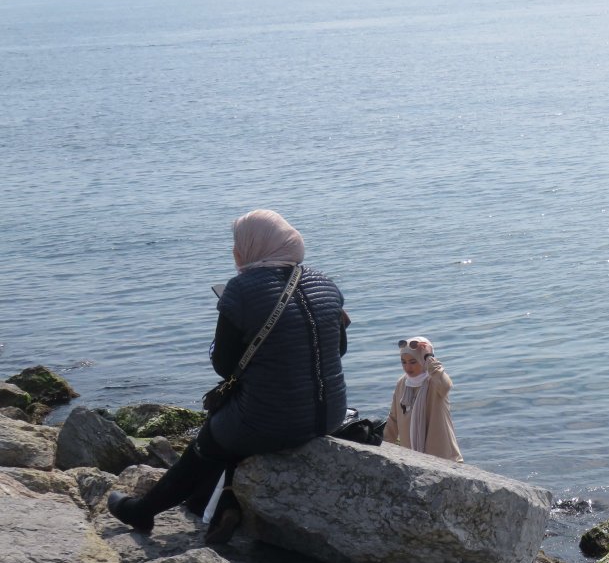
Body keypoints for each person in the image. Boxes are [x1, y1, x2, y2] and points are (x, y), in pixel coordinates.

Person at [107, 209, 349, 542]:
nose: (234, 251)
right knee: (247, 414)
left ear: (249, 247)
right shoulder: (326, 283)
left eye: (236, 243)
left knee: (212, 440)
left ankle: (143, 511)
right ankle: (227, 503)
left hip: (276, 422)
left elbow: (223, 365)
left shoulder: (241, 291)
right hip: (329, 415)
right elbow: (338, 351)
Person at [382, 336, 463, 462]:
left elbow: (446, 385)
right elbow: (394, 419)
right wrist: (384, 447)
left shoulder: (435, 381)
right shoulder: (402, 383)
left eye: (413, 362)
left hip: (443, 457)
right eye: (403, 362)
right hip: (411, 456)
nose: (408, 367)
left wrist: (428, 357)